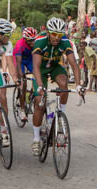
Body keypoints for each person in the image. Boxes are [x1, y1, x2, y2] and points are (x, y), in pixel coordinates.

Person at [30, 17, 84, 155]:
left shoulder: (65, 41)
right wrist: (40, 86)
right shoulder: (40, 41)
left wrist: (79, 85)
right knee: (39, 103)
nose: (56, 38)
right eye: (54, 34)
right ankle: (36, 139)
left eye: (59, 35)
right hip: (40, 69)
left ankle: (61, 114)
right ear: (48, 32)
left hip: (54, 67)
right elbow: (35, 66)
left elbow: (74, 65)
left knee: (64, 83)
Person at [12, 27, 38, 124]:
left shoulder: (36, 43)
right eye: (30, 40)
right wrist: (21, 76)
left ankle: (31, 94)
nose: (32, 42)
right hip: (20, 60)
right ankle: (22, 110)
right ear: (25, 39)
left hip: (29, 59)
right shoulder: (20, 44)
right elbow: (18, 63)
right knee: (24, 83)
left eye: (34, 40)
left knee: (37, 75)